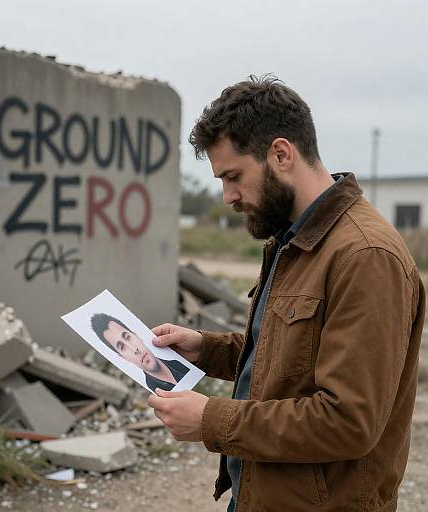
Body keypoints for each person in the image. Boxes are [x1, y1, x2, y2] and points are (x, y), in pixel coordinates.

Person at [147, 75, 425, 512]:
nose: (227, 197)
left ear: (280, 153)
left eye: (234, 176)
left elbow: (348, 421)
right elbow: (295, 358)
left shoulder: (365, 255)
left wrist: (210, 419)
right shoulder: (294, 240)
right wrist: (207, 350)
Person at [90, 313, 189, 392]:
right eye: (122, 347)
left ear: (136, 335)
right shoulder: (154, 390)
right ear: (122, 357)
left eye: (128, 337)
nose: (134, 349)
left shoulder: (181, 364)